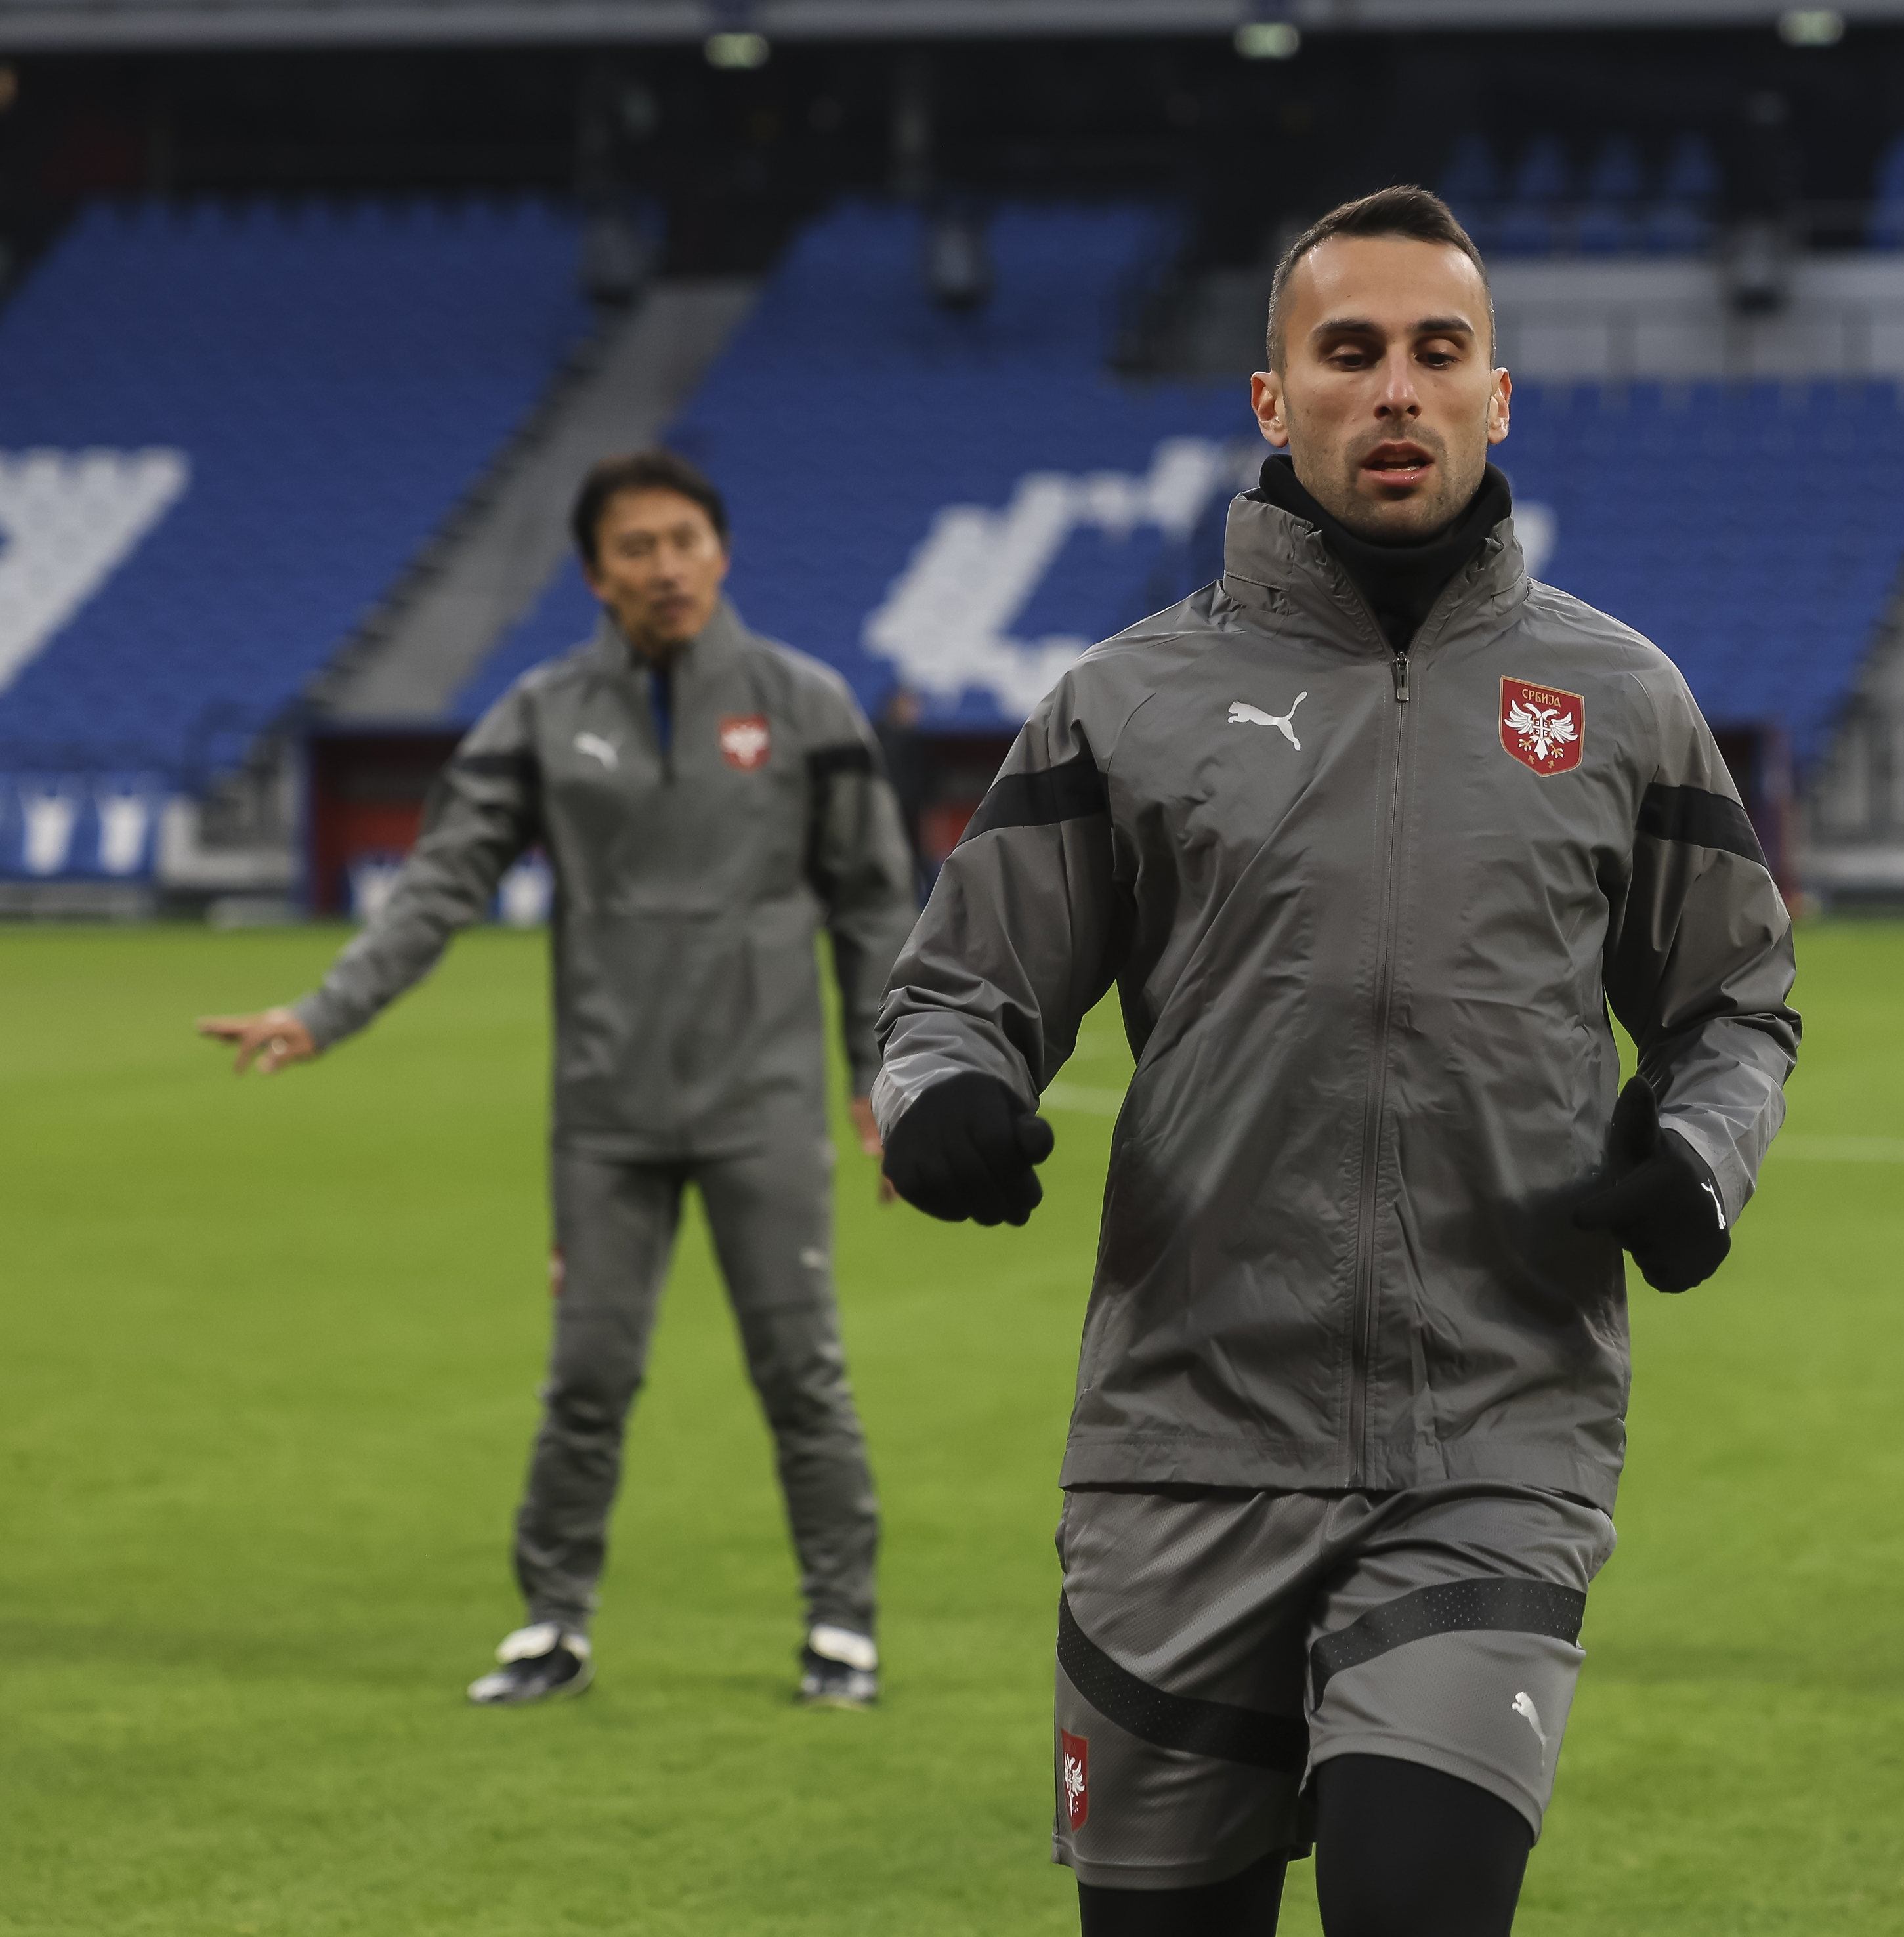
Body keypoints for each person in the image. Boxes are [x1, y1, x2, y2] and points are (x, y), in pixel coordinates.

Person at [873, 186, 1798, 1936]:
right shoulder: (1124, 699)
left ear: (1496, 394)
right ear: (1269, 395)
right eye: (1348, 351)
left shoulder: (1619, 699)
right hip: (1179, 1448)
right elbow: (957, 990)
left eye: (1435, 352)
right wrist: (944, 1102)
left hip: (1491, 1432)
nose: (1394, 389)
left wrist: (1697, 1155)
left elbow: (1733, 1004)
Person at [197, 452, 916, 1709]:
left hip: (763, 1106)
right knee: (586, 1377)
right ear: (595, 573)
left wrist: (882, 1070)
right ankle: (552, 1627)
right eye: (635, 547)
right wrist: (323, 1014)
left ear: (721, 551)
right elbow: (435, 888)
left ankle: (841, 1628)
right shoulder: (536, 715)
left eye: (684, 538)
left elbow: (871, 905)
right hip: (606, 1116)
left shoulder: (805, 707)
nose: (664, 564)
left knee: (801, 1374)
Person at [874, 683, 935, 901]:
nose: (914, 712)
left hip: (911, 821)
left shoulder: (915, 741)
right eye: (909, 705)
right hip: (885, 819)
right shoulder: (877, 739)